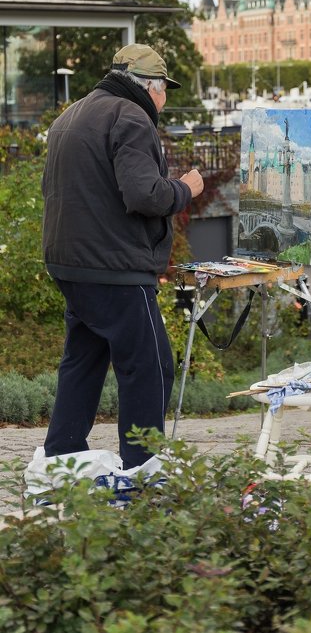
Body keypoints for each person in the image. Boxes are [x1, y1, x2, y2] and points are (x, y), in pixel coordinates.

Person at [42, 43, 204, 469]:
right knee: (150, 366)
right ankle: (143, 470)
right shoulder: (131, 117)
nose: (164, 100)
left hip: (69, 262)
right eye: (165, 89)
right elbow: (145, 195)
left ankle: (61, 457)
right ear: (150, 87)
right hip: (114, 268)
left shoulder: (70, 115)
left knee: (85, 359)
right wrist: (187, 187)